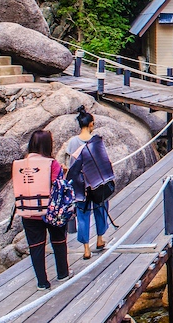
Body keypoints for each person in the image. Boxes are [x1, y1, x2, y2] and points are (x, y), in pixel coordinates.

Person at [13, 130, 71, 290]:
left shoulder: (20, 164)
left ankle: (42, 283)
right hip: (50, 210)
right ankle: (63, 273)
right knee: (58, 241)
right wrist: (63, 172)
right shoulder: (52, 164)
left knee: (36, 246)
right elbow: (58, 185)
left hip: (28, 211)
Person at [66, 106, 114, 260]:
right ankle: (100, 240)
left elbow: (72, 163)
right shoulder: (96, 141)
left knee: (82, 214)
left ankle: (86, 249)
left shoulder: (73, 142)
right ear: (91, 124)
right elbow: (103, 161)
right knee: (100, 208)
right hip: (97, 182)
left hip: (80, 185)